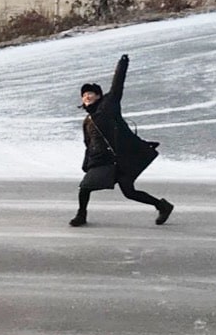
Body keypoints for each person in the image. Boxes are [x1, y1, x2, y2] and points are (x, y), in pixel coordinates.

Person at [69, 53, 174, 227]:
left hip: (121, 159)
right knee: (87, 187)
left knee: (127, 191)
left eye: (90, 93)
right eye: (84, 94)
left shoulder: (108, 106)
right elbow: (88, 145)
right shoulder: (88, 121)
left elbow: (117, 84)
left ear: (98, 96)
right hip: (102, 161)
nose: (86, 96)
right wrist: (86, 164)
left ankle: (162, 206)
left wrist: (122, 64)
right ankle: (81, 215)